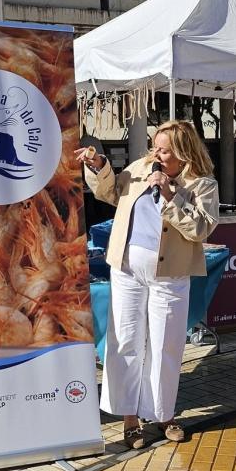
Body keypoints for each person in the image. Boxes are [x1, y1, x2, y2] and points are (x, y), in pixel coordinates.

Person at [75, 120, 219, 449]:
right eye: (155, 146)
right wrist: (98, 165)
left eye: (164, 150)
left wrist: (171, 195)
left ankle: (163, 414)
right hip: (127, 269)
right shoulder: (141, 168)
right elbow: (111, 192)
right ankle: (129, 419)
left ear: (183, 152)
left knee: (165, 345)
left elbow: (201, 229)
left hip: (170, 275)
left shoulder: (202, 184)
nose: (156, 154)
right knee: (125, 340)